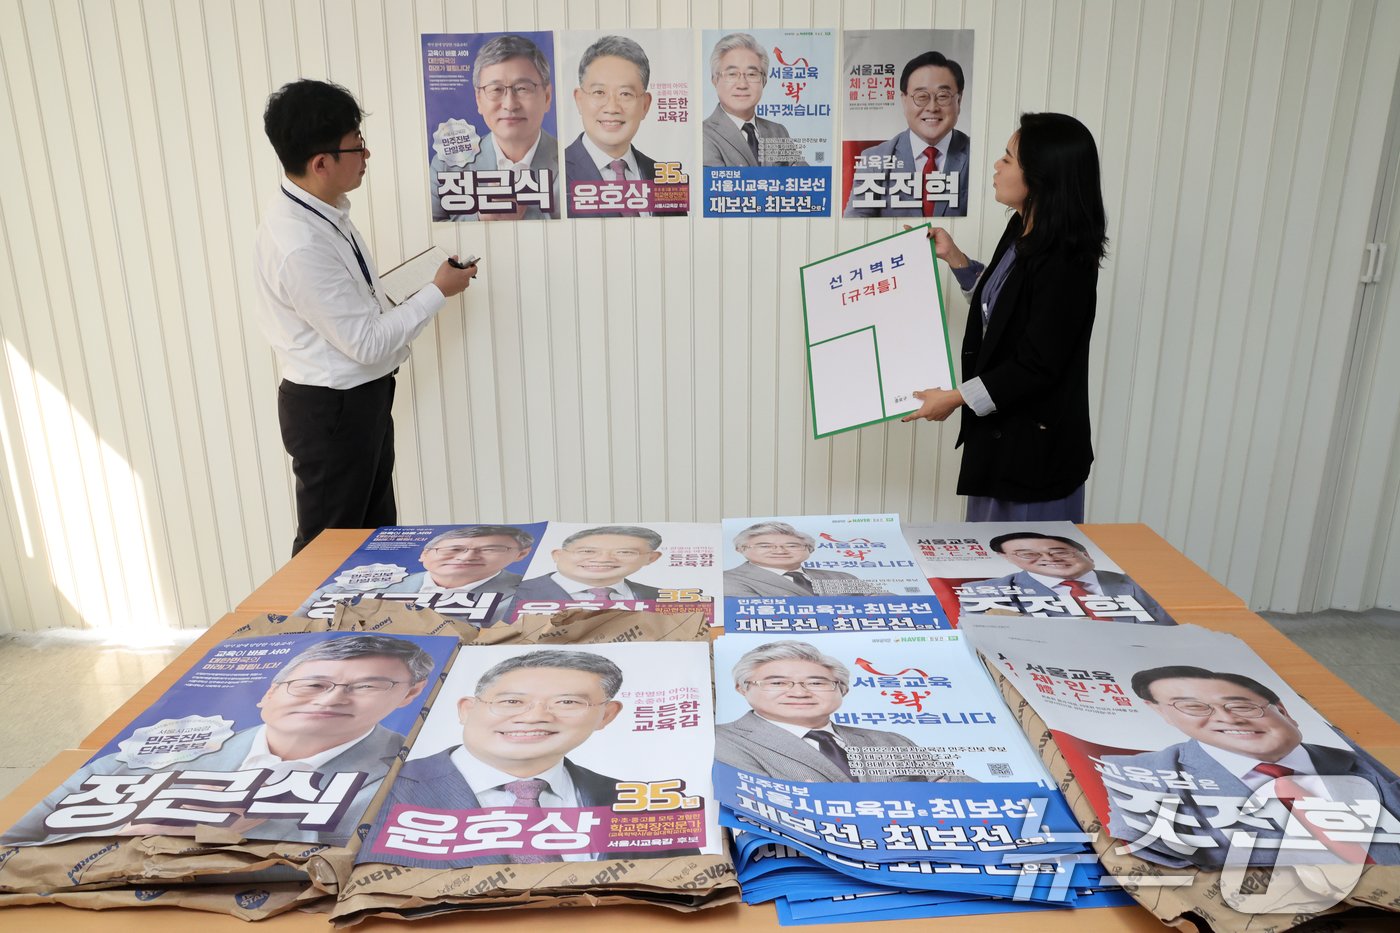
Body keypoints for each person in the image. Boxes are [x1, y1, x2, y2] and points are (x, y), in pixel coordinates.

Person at [255, 79, 478, 556]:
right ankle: (313, 632)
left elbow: (361, 310)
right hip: (334, 411)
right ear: (320, 163)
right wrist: (437, 292)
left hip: (360, 400)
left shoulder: (325, 212)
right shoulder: (300, 244)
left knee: (375, 542)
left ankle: (371, 629)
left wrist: (421, 290)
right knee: (327, 552)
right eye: (357, 146)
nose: (367, 156)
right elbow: (368, 343)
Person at [2, 635, 435, 847]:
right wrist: (124, 835)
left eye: (367, 686)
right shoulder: (135, 760)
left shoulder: (420, 776)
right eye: (312, 684)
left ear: (409, 694)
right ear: (268, 693)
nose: (332, 698)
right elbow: (11, 843)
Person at [902, 112, 1107, 523]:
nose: (996, 166)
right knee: (985, 567)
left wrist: (955, 399)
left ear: (1042, 176)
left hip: (1037, 456)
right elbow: (1002, 306)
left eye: (1008, 158)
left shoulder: (1066, 260)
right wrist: (955, 258)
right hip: (999, 445)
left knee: (1030, 572)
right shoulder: (1022, 229)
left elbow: (1036, 365)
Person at [364, 649, 681, 866]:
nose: (533, 717)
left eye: (567, 702)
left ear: (606, 715)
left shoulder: (648, 805)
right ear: (467, 709)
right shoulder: (377, 789)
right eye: (512, 701)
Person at [1100, 666, 1400, 870]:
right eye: (1192, 707)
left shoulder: (1365, 759)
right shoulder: (1140, 776)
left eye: (1242, 706)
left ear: (1283, 710)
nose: (1229, 719)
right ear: (1163, 714)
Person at [716, 640, 963, 783]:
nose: (799, 692)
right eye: (778, 683)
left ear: (842, 690)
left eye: (816, 683)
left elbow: (962, 791)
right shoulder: (718, 740)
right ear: (742, 689)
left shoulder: (888, 740)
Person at [430, 34, 560, 221]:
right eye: (496, 90)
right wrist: (482, 219)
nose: (509, 104)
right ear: (478, 99)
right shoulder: (446, 165)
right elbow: (430, 234)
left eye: (522, 88)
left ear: (547, 97)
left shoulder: (571, 163)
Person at [564, 35, 683, 218]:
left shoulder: (667, 179)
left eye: (625, 94)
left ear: (645, 105)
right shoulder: (554, 176)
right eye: (599, 92)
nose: (612, 108)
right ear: (579, 100)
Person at [843, 51, 970, 218]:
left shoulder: (977, 155)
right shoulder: (875, 159)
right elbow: (855, 224)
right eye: (921, 96)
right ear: (904, 100)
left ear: (958, 101)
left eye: (943, 96)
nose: (932, 107)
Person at [971, 531, 1172, 624]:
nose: (1050, 559)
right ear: (1007, 559)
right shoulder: (987, 592)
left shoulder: (1143, 583)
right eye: (1028, 554)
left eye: (1061, 552)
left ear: (1086, 554)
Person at [701, 32, 807, 167]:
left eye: (752, 74)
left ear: (764, 81)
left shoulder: (777, 131)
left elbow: (804, 180)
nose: (742, 84)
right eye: (732, 74)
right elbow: (717, 186)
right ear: (715, 80)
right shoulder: (703, 135)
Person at [722, 521, 888, 597]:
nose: (780, 550)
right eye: (765, 546)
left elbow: (885, 599)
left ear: (810, 550)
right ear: (740, 549)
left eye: (792, 545)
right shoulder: (726, 580)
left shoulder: (839, 576)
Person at [512, 525, 664, 604]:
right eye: (587, 551)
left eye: (624, 552)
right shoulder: (512, 594)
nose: (604, 559)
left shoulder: (665, 598)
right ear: (558, 555)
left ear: (651, 558)